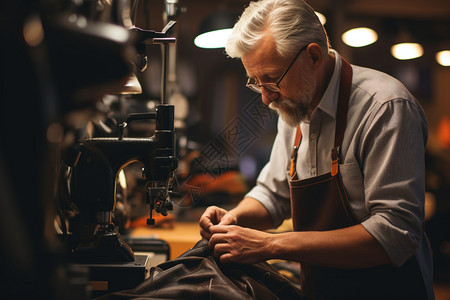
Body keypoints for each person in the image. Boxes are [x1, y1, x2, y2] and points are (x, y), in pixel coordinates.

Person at [198, 0, 434, 299]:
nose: (266, 99)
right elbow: (274, 195)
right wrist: (234, 219)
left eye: (272, 81)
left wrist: (269, 245)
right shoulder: (293, 105)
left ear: (313, 56)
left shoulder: (384, 108)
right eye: (256, 83)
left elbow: (394, 234)